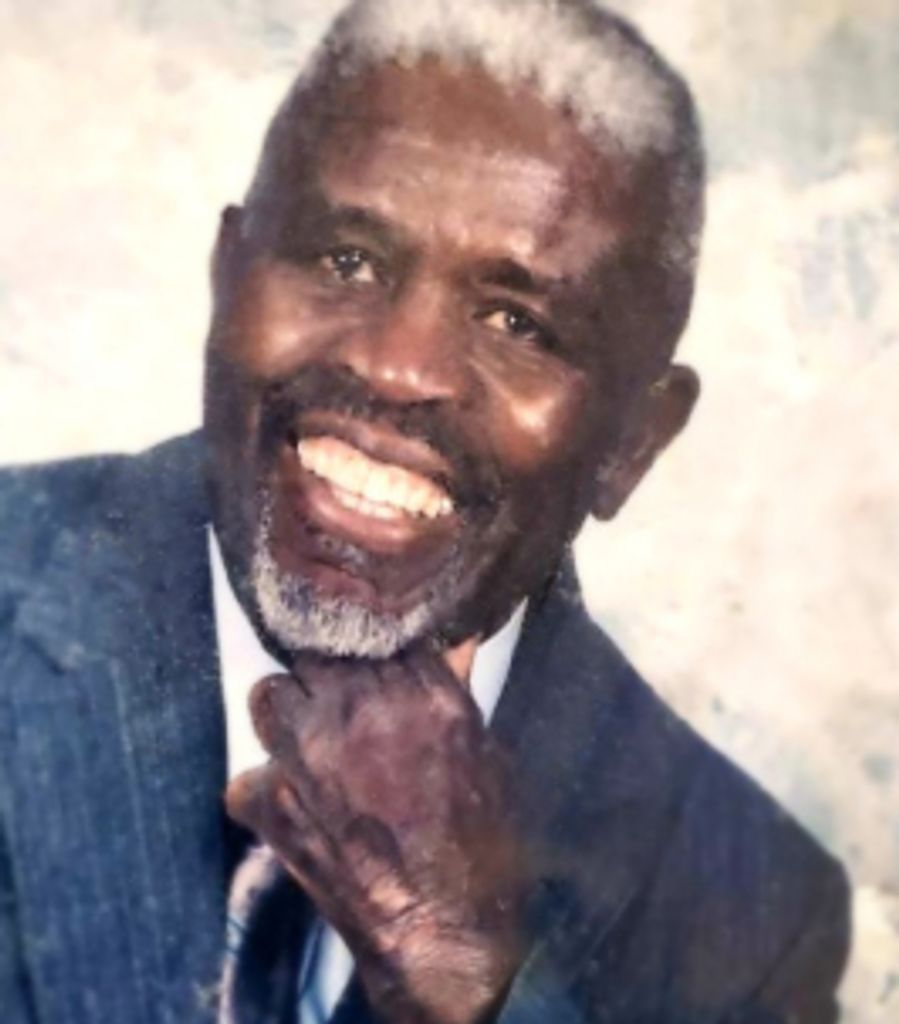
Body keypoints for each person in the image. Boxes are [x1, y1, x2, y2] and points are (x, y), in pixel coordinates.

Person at [0, 1, 850, 1022]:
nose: (396, 367)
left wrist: (461, 987)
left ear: (632, 443)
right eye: (344, 258)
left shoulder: (746, 910)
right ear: (228, 275)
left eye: (516, 321)